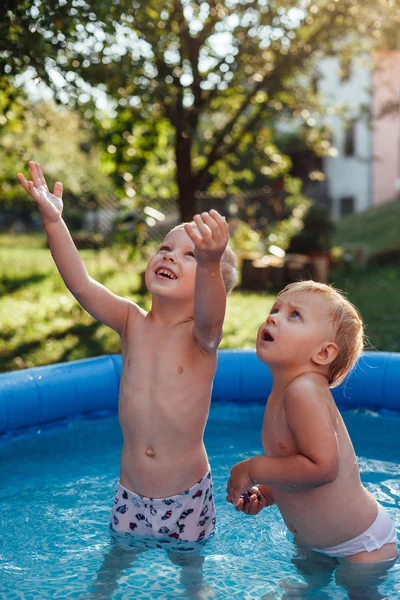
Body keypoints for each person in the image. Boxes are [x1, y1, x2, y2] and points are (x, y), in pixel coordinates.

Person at [18, 161, 238, 598]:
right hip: (131, 493)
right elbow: (80, 283)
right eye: (165, 248)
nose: (170, 256)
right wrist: (54, 220)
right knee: (112, 566)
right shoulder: (130, 321)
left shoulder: (201, 338)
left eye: (190, 254)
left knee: (192, 576)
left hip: (188, 497)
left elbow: (213, 314)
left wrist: (212, 261)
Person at [226, 281, 398, 599]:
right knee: (310, 572)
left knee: (358, 590)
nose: (274, 318)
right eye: (274, 310)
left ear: (323, 353)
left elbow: (323, 468)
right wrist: (268, 491)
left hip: (361, 545)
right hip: (315, 541)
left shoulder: (304, 391)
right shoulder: (282, 392)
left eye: (294, 315)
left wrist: (254, 468)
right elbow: (296, 466)